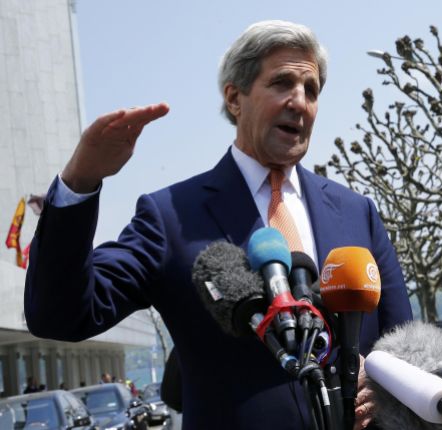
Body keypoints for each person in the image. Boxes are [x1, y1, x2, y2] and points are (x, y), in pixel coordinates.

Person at [24, 20, 412, 429]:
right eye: (282, 83)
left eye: (311, 89)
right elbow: (60, 315)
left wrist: (385, 387)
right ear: (234, 98)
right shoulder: (171, 216)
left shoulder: (356, 213)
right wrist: (80, 182)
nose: (300, 101)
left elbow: (406, 343)